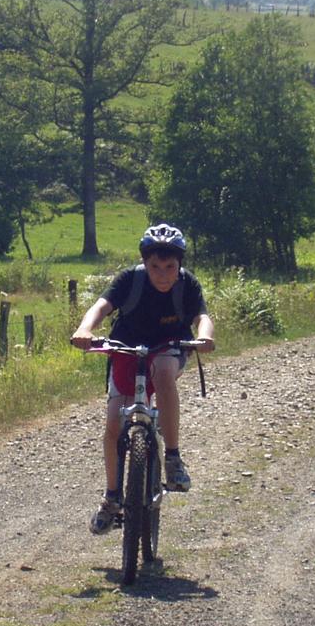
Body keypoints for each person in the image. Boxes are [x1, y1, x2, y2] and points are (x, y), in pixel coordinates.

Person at [70, 223, 215, 535]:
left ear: (180, 265)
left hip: (169, 346)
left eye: (170, 267)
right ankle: (111, 499)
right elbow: (102, 306)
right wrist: (85, 329)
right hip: (126, 348)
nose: (163, 274)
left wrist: (204, 336)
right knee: (113, 424)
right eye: (155, 267)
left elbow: (201, 316)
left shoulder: (187, 284)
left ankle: (173, 458)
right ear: (145, 264)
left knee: (163, 371)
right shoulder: (130, 280)